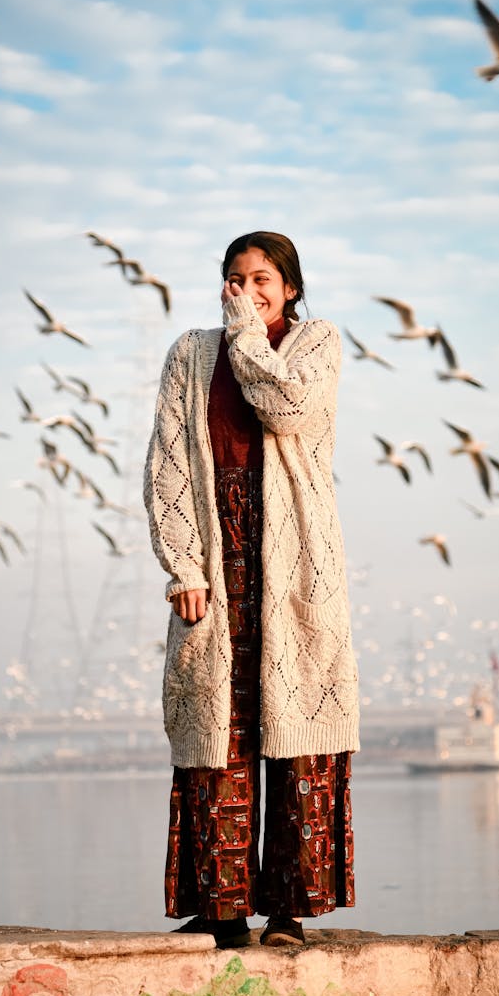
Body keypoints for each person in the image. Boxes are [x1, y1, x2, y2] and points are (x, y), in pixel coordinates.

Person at [143, 231, 359, 948]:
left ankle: (288, 913)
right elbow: (169, 463)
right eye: (235, 279)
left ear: (290, 286)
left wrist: (246, 333)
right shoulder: (189, 353)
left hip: (296, 559)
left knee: (297, 729)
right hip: (217, 553)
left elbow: (288, 410)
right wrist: (186, 568)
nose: (247, 290)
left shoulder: (317, 342)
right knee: (218, 732)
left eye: (262, 278)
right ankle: (222, 908)